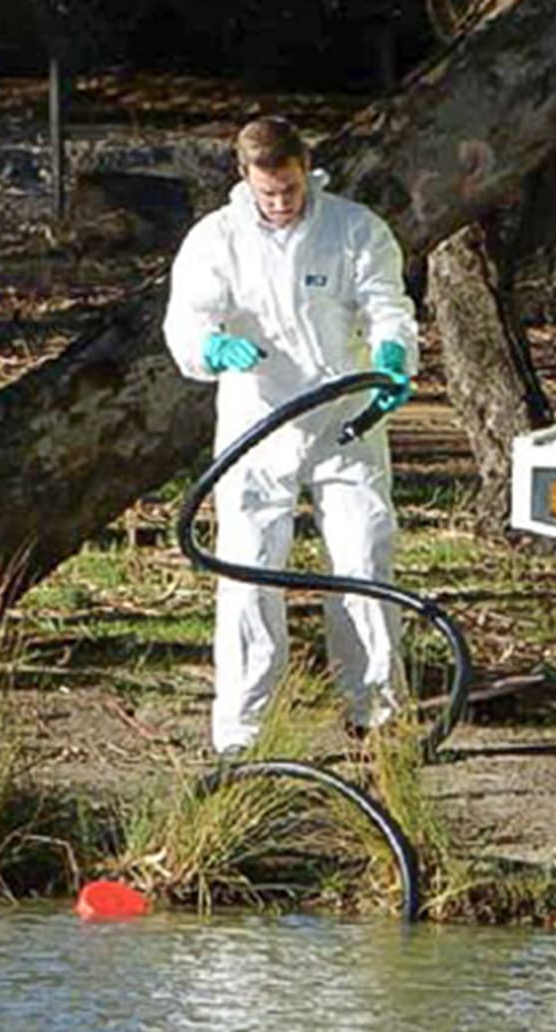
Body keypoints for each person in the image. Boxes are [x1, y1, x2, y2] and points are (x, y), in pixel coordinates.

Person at [162, 115, 418, 753]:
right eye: (268, 192)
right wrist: (211, 347)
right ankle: (245, 730)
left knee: (364, 557)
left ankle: (377, 716)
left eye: (291, 189)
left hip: (345, 418)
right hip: (258, 420)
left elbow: (387, 305)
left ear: (308, 171)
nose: (280, 202)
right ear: (244, 178)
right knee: (249, 568)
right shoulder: (217, 238)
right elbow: (187, 320)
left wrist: (392, 355)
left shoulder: (354, 229)